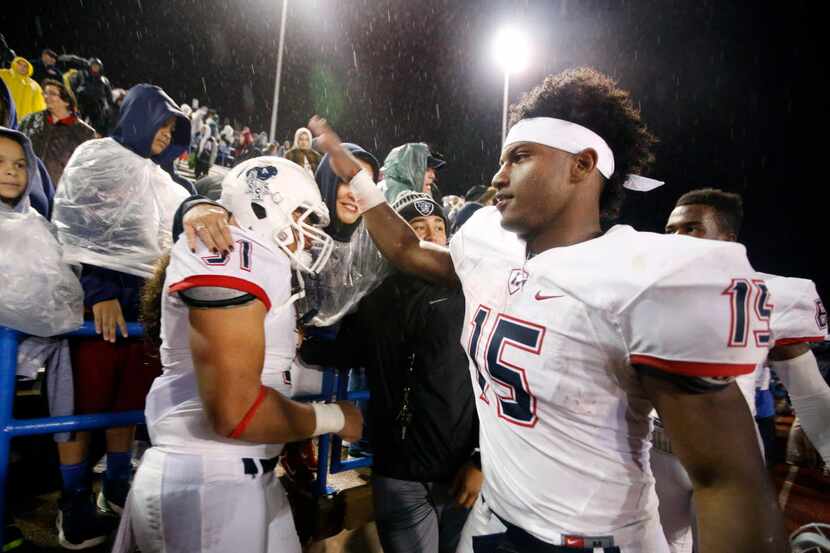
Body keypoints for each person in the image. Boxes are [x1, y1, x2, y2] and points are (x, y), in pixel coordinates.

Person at [305, 68, 785, 553]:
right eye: (502, 160)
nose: (498, 176)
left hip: (593, 541)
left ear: (582, 164)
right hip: (494, 516)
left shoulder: (638, 278)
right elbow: (408, 251)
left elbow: (728, 481)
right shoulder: (488, 248)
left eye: (520, 157)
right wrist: (359, 182)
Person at [112, 157, 362, 553]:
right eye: (302, 216)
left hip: (245, 476)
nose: (311, 234)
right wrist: (334, 418)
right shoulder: (233, 253)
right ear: (262, 206)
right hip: (207, 483)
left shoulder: (264, 264)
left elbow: (271, 374)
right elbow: (237, 411)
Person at [51, 83, 192, 549]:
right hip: (96, 312)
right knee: (80, 410)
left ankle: (114, 486)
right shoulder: (98, 157)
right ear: (140, 116)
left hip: (144, 314)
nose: (166, 133)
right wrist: (98, 292)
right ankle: (72, 501)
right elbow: (81, 230)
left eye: (174, 127)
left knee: (125, 408)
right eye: (162, 122)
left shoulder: (169, 182)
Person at [301, 190, 481, 553]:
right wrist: (298, 334)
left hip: (461, 473)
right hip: (399, 473)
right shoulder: (375, 299)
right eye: (417, 227)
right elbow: (343, 352)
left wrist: (480, 458)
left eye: (438, 227)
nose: (431, 237)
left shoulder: (474, 294)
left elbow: (495, 384)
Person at [654, 187, 830, 553]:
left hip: (733, 454)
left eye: (691, 229)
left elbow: (810, 392)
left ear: (728, 239)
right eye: (671, 230)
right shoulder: (640, 288)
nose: (676, 239)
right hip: (654, 451)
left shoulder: (770, 294)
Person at [19, 78, 95, 186]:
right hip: (28, 184)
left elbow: (86, 169)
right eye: (45, 93)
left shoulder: (85, 133)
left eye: (52, 94)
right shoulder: (31, 120)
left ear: (66, 101)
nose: (46, 97)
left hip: (59, 190)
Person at [379, 142, 445, 203]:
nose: (433, 176)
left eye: (434, 171)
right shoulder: (399, 194)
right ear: (407, 169)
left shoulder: (389, 187)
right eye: (426, 170)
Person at [0, 56, 46, 124]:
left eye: (25, 66)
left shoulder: (34, 85)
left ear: (29, 69)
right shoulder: (3, 74)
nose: (22, 67)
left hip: (22, 122)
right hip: (3, 115)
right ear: (14, 64)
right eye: (20, 64)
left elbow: (39, 106)